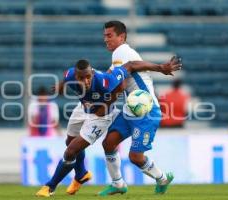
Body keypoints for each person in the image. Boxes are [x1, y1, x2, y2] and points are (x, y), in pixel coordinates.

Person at [35, 58, 181, 197]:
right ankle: (81, 174)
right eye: (81, 78)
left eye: (88, 77)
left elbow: (129, 68)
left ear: (91, 72)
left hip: (101, 116)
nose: (85, 81)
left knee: (71, 151)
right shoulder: (70, 74)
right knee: (70, 141)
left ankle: (50, 186)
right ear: (76, 75)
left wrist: (160, 68)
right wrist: (61, 87)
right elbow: (66, 80)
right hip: (84, 108)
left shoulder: (105, 80)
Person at [98, 20, 177, 196]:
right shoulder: (119, 56)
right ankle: (118, 184)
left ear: (122, 36)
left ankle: (162, 178)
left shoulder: (122, 51)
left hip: (145, 110)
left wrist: (160, 68)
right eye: (104, 36)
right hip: (131, 109)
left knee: (135, 157)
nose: (106, 39)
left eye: (109, 36)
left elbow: (129, 69)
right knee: (109, 143)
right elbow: (110, 77)